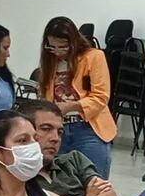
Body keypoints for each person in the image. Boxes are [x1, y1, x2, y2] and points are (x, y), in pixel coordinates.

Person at [16, 101, 121, 196]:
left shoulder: (74, 160)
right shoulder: (18, 179)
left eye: (60, 132)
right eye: (46, 129)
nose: (55, 138)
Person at [37, 17, 116, 179]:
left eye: (63, 47)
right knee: (60, 182)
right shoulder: (50, 62)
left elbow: (101, 96)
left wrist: (70, 106)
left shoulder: (94, 57)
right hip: (58, 130)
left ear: (73, 42)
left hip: (89, 128)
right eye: (52, 47)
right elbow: (46, 96)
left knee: (94, 181)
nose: (57, 52)